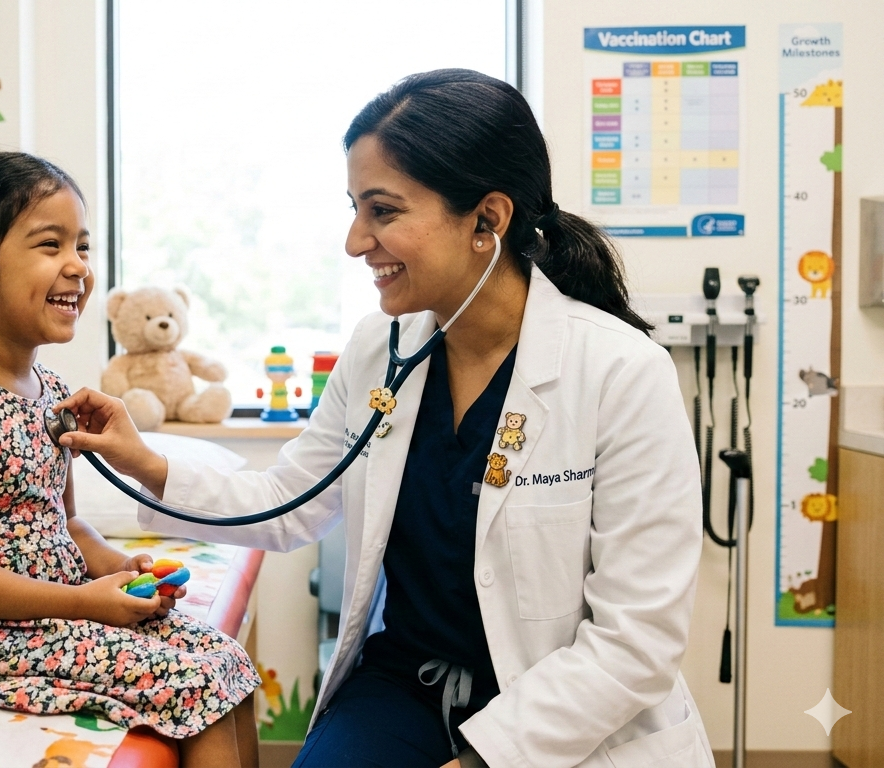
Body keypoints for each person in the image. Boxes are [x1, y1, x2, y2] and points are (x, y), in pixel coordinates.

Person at [57, 70, 714, 768]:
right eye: (355, 208)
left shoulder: (619, 372)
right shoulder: (382, 349)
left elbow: (634, 640)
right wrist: (144, 460)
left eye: (383, 211)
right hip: (407, 686)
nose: (354, 241)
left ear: (487, 219)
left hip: (567, 711)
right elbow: (291, 500)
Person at [0, 151, 260, 768]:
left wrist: (121, 570)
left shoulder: (50, 390)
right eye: (50, 245)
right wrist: (83, 602)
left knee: (226, 659)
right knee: (195, 684)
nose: (78, 267)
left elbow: (65, 523)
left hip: (46, 601)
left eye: (82, 246)